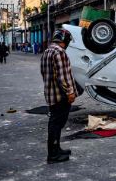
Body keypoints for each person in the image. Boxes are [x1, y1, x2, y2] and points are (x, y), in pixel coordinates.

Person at [40, 29, 78, 164]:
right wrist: (70, 93)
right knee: (56, 124)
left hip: (51, 94)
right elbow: (63, 76)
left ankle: (57, 149)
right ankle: (53, 155)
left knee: (55, 123)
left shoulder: (47, 51)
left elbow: (44, 73)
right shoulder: (60, 52)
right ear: (65, 40)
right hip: (60, 96)